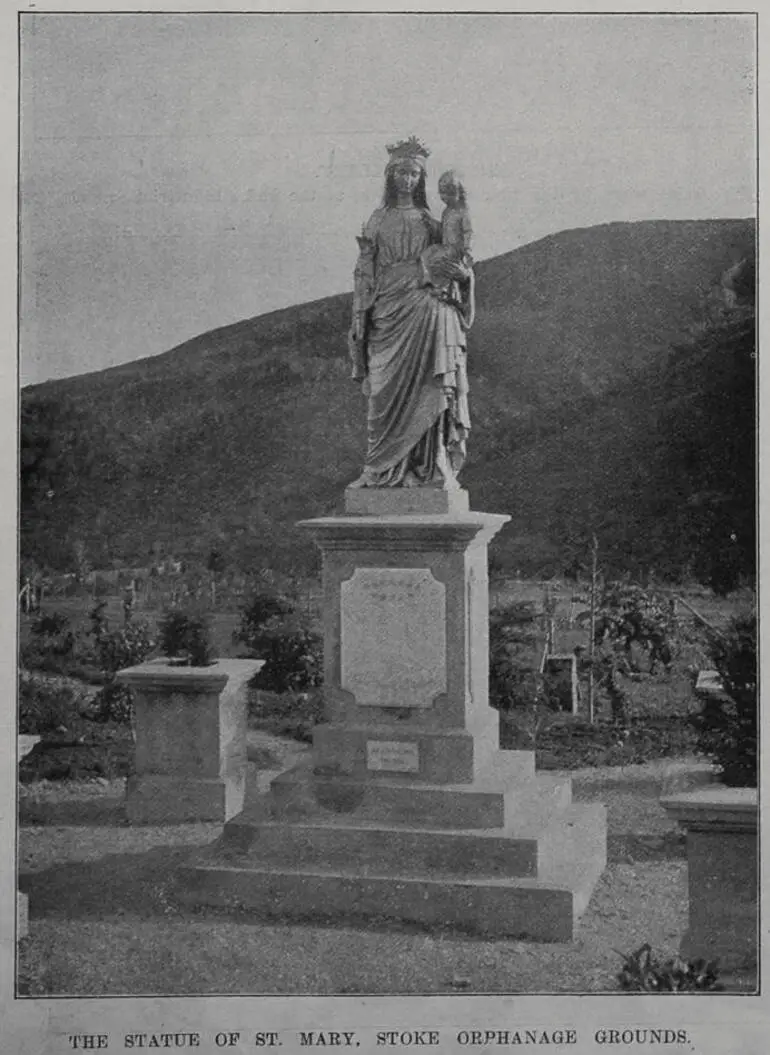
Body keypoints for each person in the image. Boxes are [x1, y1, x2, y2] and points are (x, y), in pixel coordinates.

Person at [347, 138, 474, 489]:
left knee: (428, 390)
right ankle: (378, 470)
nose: (408, 180)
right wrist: (360, 317)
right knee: (382, 398)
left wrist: (464, 281)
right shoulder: (377, 220)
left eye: (415, 173)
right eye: (402, 172)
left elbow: (454, 262)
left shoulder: (432, 222)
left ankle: (429, 466)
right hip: (386, 312)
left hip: (426, 313)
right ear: (391, 177)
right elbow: (364, 271)